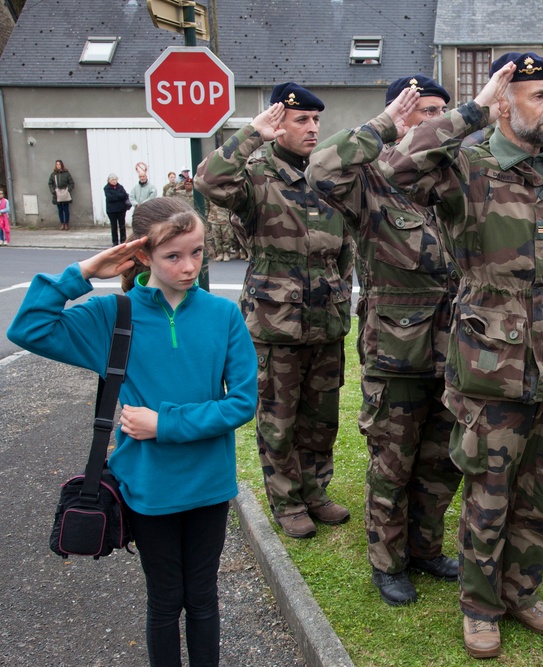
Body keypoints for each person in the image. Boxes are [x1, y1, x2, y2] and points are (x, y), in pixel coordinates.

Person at [383, 53, 543, 658]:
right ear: (506, 102)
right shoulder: (467, 165)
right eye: (539, 97)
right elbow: (398, 167)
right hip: (491, 360)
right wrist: (470, 111)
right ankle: (480, 607)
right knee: (489, 489)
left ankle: (521, 593)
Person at [7, 197, 257, 667]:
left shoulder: (222, 315)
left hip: (209, 484)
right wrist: (82, 272)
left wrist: (165, 424)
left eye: (198, 252)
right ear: (142, 255)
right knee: (165, 600)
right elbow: (29, 328)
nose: (189, 267)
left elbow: (242, 402)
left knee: (203, 597)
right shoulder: (112, 316)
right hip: (149, 488)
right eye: (174, 256)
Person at [306, 75, 463, 606]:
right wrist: (382, 126)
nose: (433, 122)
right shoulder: (370, 182)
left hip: (460, 350)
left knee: (442, 461)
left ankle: (425, 548)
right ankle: (388, 562)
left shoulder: (457, 182)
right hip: (396, 354)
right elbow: (321, 168)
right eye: (422, 112)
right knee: (393, 464)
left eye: (442, 112)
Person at [195, 82, 354, 540]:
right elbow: (209, 181)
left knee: (320, 419)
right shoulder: (256, 174)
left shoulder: (325, 174)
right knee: (279, 419)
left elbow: (344, 249)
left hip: (326, 318)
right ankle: (286, 502)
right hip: (275, 321)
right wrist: (251, 134)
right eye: (301, 119)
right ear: (277, 123)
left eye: (316, 120)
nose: (312, 128)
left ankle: (315, 492)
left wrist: (340, 290)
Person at [104, 173, 131, 246]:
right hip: (111, 210)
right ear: (109, 180)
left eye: (115, 179)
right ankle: (115, 241)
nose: (114, 181)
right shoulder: (107, 188)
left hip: (121, 209)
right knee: (114, 226)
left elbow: (125, 195)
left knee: (122, 225)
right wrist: (119, 196)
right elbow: (110, 198)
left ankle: (123, 240)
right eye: (112, 180)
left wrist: (116, 196)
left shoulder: (120, 187)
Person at [48, 159, 74, 230]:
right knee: (60, 209)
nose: (58, 166)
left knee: (66, 209)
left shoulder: (66, 173)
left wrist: (68, 190)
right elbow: (50, 183)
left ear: (61, 165)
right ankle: (62, 223)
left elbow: (71, 183)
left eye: (59, 164)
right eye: (57, 164)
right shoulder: (53, 174)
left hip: (65, 192)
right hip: (57, 193)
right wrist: (53, 191)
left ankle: (66, 223)